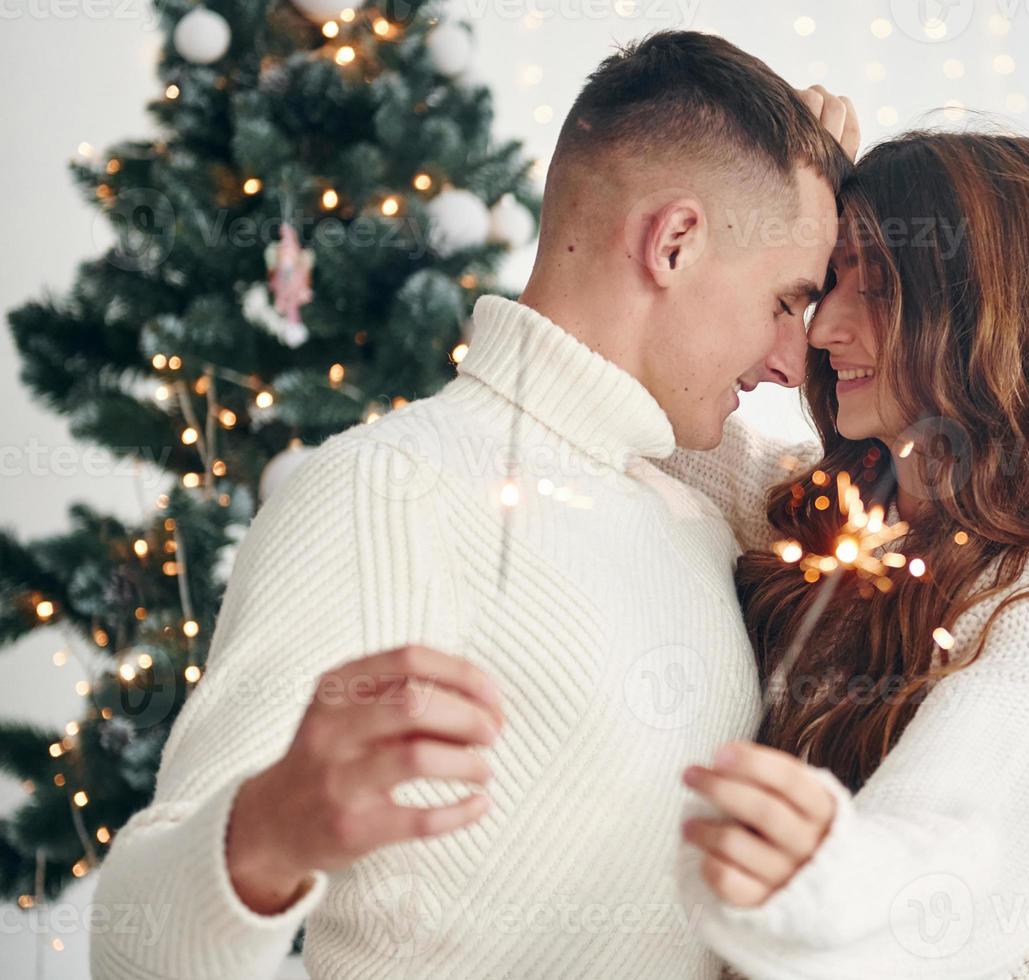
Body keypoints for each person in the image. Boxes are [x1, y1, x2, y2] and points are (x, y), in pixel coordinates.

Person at [90, 31, 854, 980]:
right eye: (786, 301)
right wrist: (263, 840)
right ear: (675, 241)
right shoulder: (387, 491)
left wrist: (850, 203)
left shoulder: (696, 501)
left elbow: (939, 524)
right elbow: (128, 951)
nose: (792, 359)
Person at [662, 130, 1029, 979]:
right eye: (831, 279)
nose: (824, 328)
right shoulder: (807, 516)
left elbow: (949, 862)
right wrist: (758, 168)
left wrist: (823, 879)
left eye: (877, 290)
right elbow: (607, 382)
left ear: (987, 319)